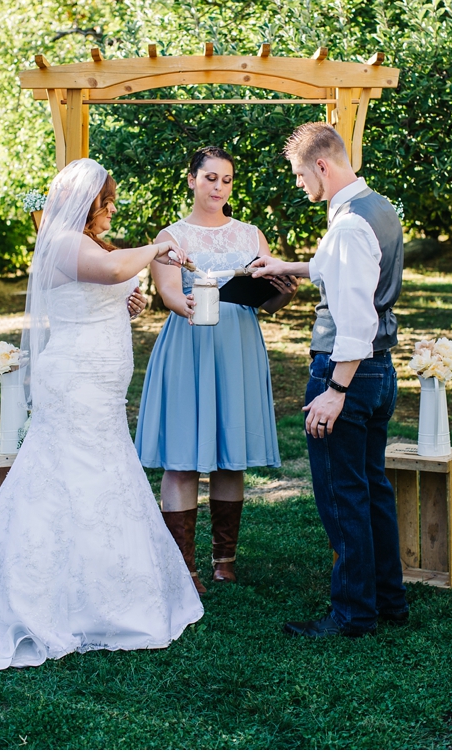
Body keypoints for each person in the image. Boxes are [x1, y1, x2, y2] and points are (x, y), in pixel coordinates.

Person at [0, 158, 203, 670]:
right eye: (105, 203)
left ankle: (112, 591)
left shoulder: (92, 244)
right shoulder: (61, 240)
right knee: (69, 475)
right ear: (85, 204)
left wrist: (128, 304)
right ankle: (58, 598)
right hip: (76, 380)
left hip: (102, 385)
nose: (110, 211)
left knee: (105, 476)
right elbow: (108, 270)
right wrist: (157, 247)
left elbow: (106, 282)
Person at [252, 122, 408, 638]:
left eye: (300, 175)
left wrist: (334, 392)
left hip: (349, 374)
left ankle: (352, 615)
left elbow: (356, 319)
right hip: (381, 371)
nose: (300, 185)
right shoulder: (377, 208)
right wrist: (287, 266)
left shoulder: (346, 227)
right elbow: (334, 268)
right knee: (373, 491)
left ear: (322, 165)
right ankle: (388, 602)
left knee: (342, 496)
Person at [136, 147, 295, 592]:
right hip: (189, 345)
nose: (218, 188)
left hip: (238, 346)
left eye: (226, 180)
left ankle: (225, 559)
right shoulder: (170, 235)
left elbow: (270, 302)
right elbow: (167, 291)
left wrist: (285, 291)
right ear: (191, 180)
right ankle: (182, 565)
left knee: (230, 456)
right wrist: (183, 302)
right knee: (183, 456)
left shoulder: (251, 234)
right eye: (210, 178)